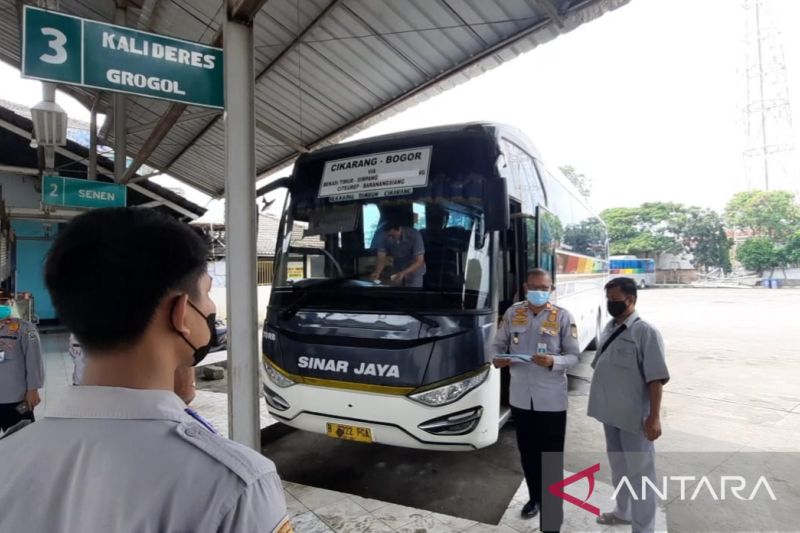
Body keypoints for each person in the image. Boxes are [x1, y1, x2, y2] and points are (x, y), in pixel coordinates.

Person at [0, 208, 291, 533]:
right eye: (207, 292)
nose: (209, 308)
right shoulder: (237, 485)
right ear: (181, 313)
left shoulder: (8, 457)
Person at [492, 269, 580, 532]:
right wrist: (499, 359)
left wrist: (555, 361)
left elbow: (574, 356)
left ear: (551, 288)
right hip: (521, 397)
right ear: (525, 286)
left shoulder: (563, 316)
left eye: (544, 286)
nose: (539, 290)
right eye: (534, 286)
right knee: (528, 452)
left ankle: (552, 505)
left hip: (551, 399)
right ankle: (535, 497)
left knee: (551, 453)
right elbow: (497, 348)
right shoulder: (512, 314)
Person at [588, 277, 670, 533]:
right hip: (611, 415)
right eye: (609, 300)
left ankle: (644, 528)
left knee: (641, 475)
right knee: (619, 469)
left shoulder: (645, 332)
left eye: (615, 300)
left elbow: (655, 380)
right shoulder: (610, 326)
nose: (611, 305)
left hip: (635, 419)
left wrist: (654, 418)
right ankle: (623, 512)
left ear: (631, 299)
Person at [0, 297, 44, 433]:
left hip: (16, 398)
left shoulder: (25, 328)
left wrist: (33, 389)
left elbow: (34, 359)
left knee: (21, 438)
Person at [371, 220, 426, 287]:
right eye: (388, 235)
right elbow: (381, 257)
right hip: (397, 267)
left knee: (413, 293)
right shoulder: (383, 236)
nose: (390, 238)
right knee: (396, 292)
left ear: (399, 229)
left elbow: (419, 261)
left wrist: (403, 273)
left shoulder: (415, 235)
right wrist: (377, 272)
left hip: (414, 269)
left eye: (393, 236)